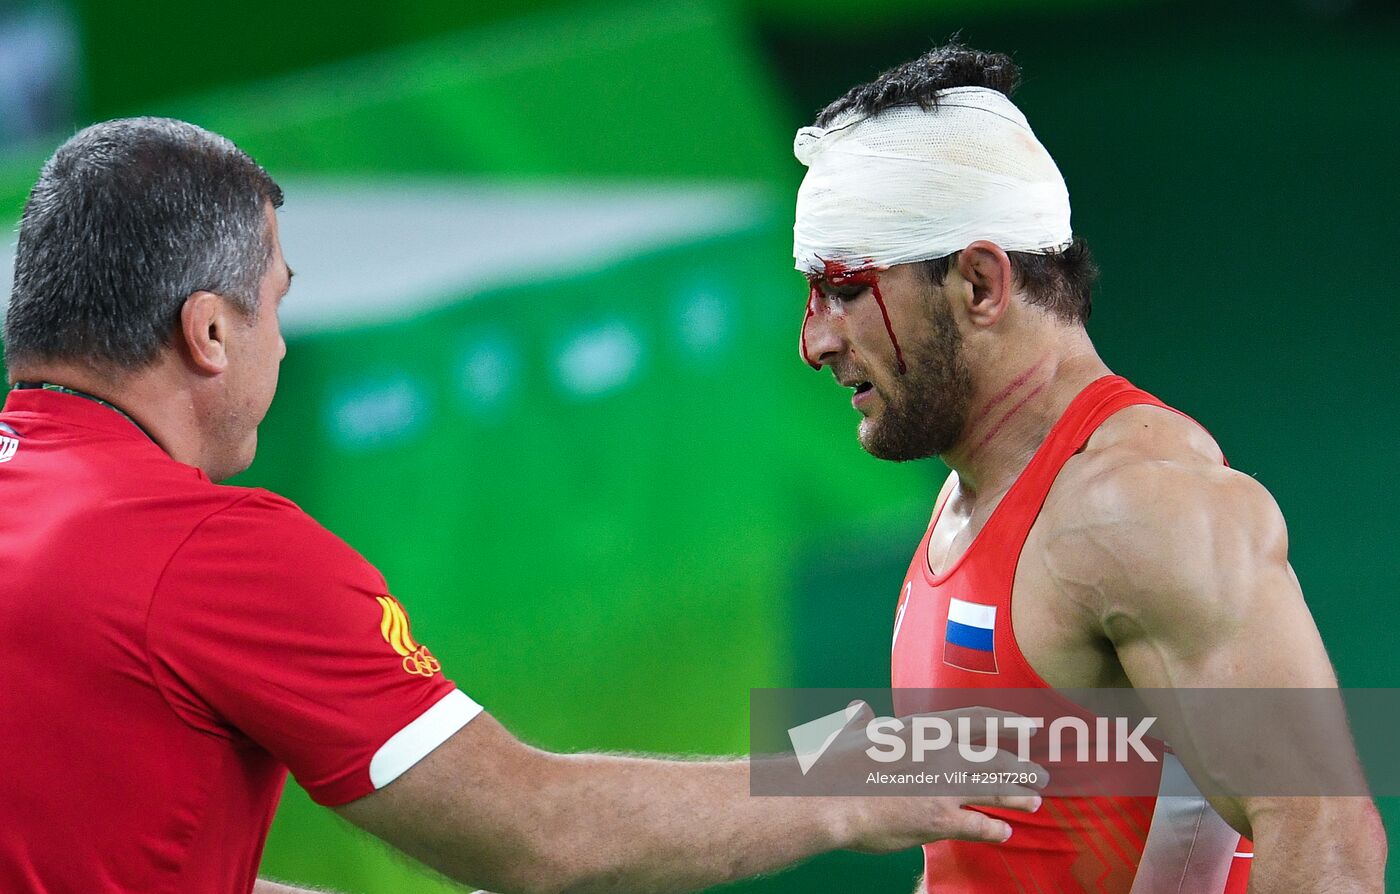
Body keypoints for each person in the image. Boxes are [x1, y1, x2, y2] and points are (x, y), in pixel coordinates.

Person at [0, 117, 1045, 894]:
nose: (279, 341)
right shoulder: (215, 559)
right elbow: (534, 831)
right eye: (274, 304)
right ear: (208, 336)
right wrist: (837, 784)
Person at [792, 43, 1386, 893]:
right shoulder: (978, 482)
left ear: (982, 284)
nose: (815, 341)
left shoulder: (1137, 504)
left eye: (846, 289)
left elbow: (1327, 839)